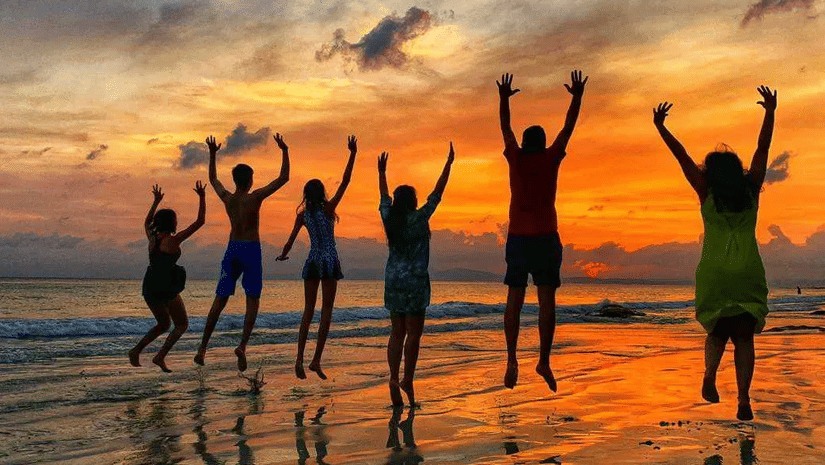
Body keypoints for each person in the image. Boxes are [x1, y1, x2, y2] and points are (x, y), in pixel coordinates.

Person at [653, 85, 777, 421]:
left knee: (717, 331)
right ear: (737, 171)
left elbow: (681, 157)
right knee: (744, 336)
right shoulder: (751, 190)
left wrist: (662, 128)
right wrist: (770, 113)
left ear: (711, 172)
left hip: (713, 271)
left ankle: (709, 374)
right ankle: (744, 400)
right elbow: (762, 149)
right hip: (747, 269)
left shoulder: (706, 192)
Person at [497, 70, 588, 391]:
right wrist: (576, 97)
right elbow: (568, 128)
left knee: (515, 300)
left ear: (523, 144)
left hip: (519, 239)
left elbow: (505, 127)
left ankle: (511, 360)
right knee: (546, 302)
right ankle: (544, 361)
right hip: (546, 238)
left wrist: (503, 99)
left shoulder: (516, 158)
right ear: (544, 143)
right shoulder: (551, 158)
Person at [194, 133, 290, 371]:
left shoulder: (227, 198)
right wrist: (284, 150)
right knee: (253, 299)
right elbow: (283, 178)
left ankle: (202, 348)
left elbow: (213, 178)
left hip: (232, 248)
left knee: (220, 299)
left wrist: (213, 153)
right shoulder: (255, 197)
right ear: (250, 181)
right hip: (250, 249)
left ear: (236, 180)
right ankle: (242, 346)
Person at [378, 143, 454, 407]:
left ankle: (392, 377)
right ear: (413, 202)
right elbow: (437, 194)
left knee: (396, 332)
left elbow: (383, 198)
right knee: (414, 334)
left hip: (394, 281)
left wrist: (381, 172)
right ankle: (407, 379)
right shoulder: (420, 218)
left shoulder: (389, 219)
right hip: (416, 282)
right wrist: (449, 165)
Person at [277, 135, 358, 380]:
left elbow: (291, 239)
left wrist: (284, 254)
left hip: (312, 261)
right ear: (322, 192)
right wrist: (352, 154)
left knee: (307, 312)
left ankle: (299, 359)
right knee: (326, 312)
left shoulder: (303, 215)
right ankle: (316, 360)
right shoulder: (328, 209)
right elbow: (345, 182)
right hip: (330, 261)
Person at [130, 182, 206, 372]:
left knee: (163, 324)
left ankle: (136, 350)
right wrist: (202, 197)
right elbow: (200, 222)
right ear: (172, 223)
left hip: (150, 286)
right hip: (166, 286)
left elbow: (146, 222)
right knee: (181, 324)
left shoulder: (152, 238)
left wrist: (155, 201)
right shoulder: (174, 240)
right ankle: (160, 356)